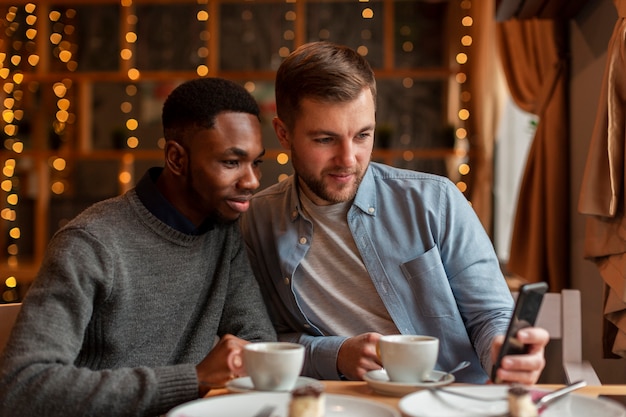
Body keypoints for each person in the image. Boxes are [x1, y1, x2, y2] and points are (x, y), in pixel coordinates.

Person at [240, 41, 549, 385]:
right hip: (337, 406)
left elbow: (490, 314)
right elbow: (260, 341)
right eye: (325, 140)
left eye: (362, 135)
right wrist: (336, 354)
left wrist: (501, 350)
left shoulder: (436, 200)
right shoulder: (257, 220)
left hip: (446, 402)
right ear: (284, 134)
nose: (348, 159)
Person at [0, 77, 277, 417]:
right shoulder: (90, 243)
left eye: (256, 162)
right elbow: (23, 387)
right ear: (177, 158)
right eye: (231, 163)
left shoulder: (222, 231)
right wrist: (192, 379)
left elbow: (258, 341)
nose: (252, 181)